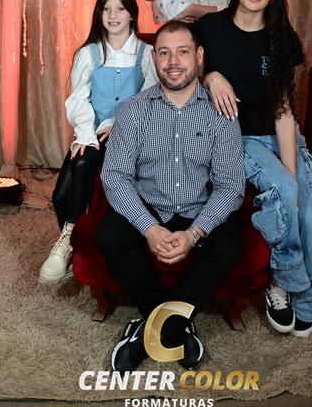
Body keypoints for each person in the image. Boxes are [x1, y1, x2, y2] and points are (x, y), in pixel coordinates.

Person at [194, 0, 312, 339]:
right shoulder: (211, 28)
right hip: (237, 138)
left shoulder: (281, 38)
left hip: (279, 133)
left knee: (305, 204)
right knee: (286, 189)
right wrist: (212, 76)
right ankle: (287, 282)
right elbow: (187, 73)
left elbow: (284, 110)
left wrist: (291, 172)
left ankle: (304, 296)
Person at [97, 21, 245, 373]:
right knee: (110, 235)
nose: (173, 61)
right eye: (164, 53)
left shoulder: (220, 112)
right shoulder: (134, 110)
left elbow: (231, 185)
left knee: (230, 245)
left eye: (182, 52)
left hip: (197, 207)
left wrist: (194, 234)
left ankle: (150, 330)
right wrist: (148, 228)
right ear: (155, 58)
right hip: (149, 204)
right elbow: (114, 175)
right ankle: (177, 326)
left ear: (199, 56)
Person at [39, 0, 157, 284]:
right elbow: (78, 98)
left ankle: (71, 237)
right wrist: (85, 134)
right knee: (64, 188)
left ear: (132, 13)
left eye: (120, 9)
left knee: (89, 167)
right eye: (106, 9)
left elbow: (149, 97)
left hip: (129, 133)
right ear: (99, 13)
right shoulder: (88, 53)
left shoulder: (146, 54)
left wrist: (120, 122)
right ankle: (69, 240)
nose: (113, 15)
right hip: (93, 130)